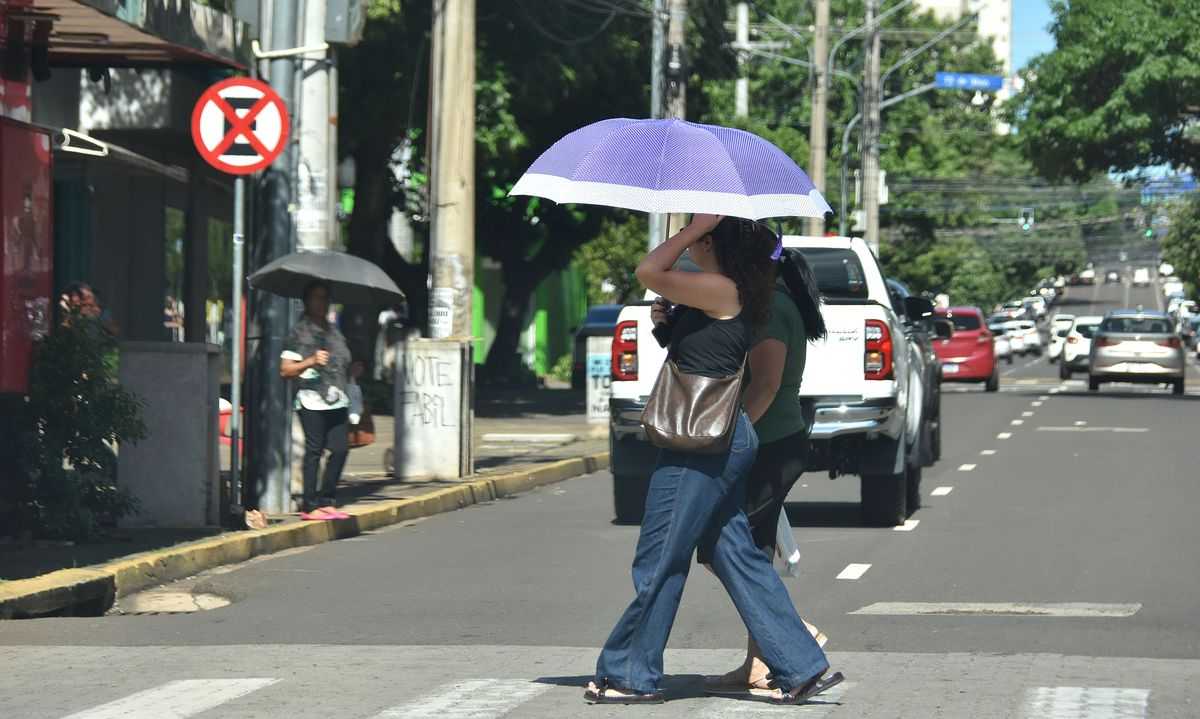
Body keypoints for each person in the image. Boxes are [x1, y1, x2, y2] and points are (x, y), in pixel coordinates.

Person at [585, 215, 843, 706]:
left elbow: (646, 269)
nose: (686, 248)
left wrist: (687, 228)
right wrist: (668, 326)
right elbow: (702, 357)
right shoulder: (723, 290)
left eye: (697, 239)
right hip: (715, 436)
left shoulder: (723, 288)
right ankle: (801, 664)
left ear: (713, 244)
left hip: (704, 442)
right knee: (734, 555)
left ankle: (629, 673)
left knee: (660, 555)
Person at [697, 246, 830, 693]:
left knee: (721, 546)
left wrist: (732, 436)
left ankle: (795, 633)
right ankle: (758, 663)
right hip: (778, 441)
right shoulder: (773, 303)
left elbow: (767, 384)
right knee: (752, 550)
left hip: (769, 445)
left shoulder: (771, 309)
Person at [280, 280, 353, 521]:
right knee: (314, 450)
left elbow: (342, 362)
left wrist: (354, 370)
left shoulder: (334, 331)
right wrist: (310, 361)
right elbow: (286, 370)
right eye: (316, 298)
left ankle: (327, 500)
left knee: (341, 449)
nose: (321, 303)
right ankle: (310, 505)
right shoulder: (298, 332)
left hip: (337, 398)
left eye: (325, 298)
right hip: (310, 399)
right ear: (307, 301)